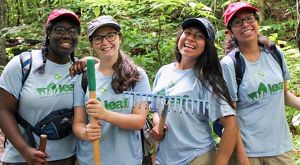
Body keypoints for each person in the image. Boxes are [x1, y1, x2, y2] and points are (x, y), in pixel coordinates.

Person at [150, 17, 238, 165]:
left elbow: (231, 125)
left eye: (199, 36)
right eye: (187, 33)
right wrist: (158, 124)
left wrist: (220, 162)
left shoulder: (207, 79)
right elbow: (155, 109)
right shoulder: (163, 71)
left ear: (207, 46)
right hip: (164, 158)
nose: (190, 39)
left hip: (196, 157)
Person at [221, 2, 300, 165]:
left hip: (281, 147)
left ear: (257, 22)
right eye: (238, 22)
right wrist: (242, 158)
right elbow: (229, 116)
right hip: (249, 151)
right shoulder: (230, 64)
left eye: (249, 18)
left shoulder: (274, 53)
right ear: (230, 31)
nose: (245, 25)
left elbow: (283, 94)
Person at [0, 9, 80, 165]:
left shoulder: (79, 69)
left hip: (67, 158)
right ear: (48, 33)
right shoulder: (23, 64)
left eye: (72, 31)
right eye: (59, 30)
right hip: (23, 159)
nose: (66, 35)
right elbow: (3, 110)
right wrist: (25, 151)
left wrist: (92, 61)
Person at [72, 15, 151, 165]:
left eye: (110, 35)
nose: (105, 42)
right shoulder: (84, 78)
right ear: (92, 44)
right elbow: (78, 123)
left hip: (127, 160)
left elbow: (139, 121)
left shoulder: (138, 76)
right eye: (98, 38)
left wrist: (105, 114)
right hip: (90, 160)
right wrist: (85, 132)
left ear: (119, 38)